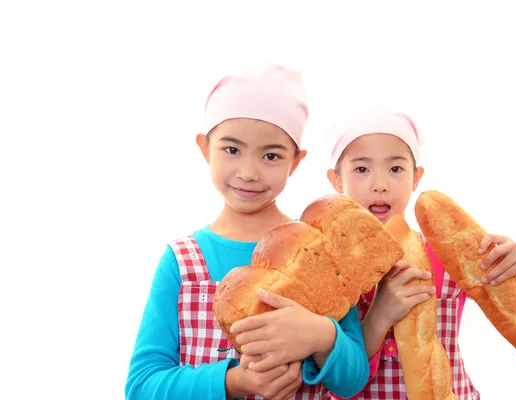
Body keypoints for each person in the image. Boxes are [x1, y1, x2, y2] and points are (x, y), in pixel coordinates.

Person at [125, 63, 369, 400]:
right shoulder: (182, 263)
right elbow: (141, 387)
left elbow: (354, 379)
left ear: (294, 162)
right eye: (232, 150)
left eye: (271, 155)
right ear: (204, 148)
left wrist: (322, 335)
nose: (249, 172)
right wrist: (234, 382)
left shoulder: (320, 249)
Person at [324, 105, 516, 399]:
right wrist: (379, 316)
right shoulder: (330, 266)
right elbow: (339, 374)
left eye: (395, 169)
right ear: (336, 180)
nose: (380, 185)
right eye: (361, 169)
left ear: (416, 178)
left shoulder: (447, 254)